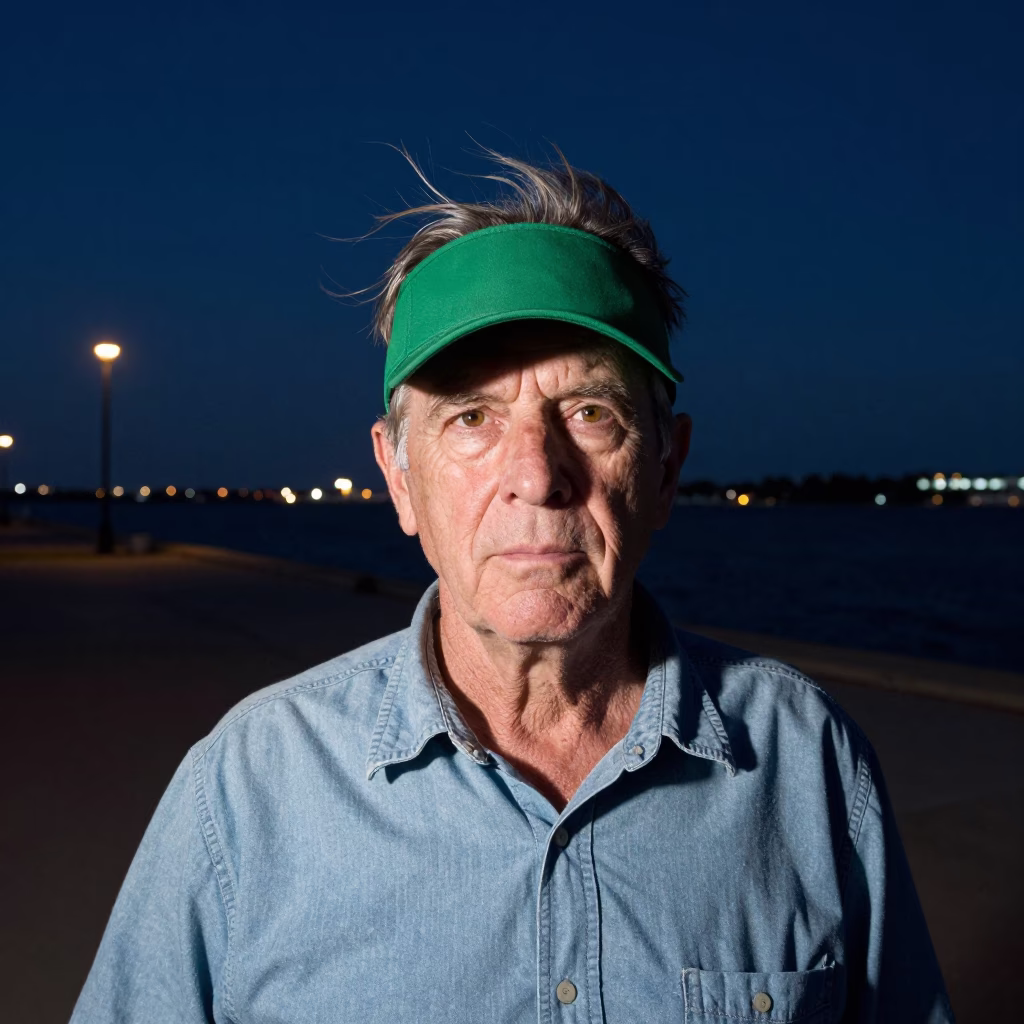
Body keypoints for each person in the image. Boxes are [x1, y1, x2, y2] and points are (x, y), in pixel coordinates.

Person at [71, 150, 954, 1023]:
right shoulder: (248, 785)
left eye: (591, 413)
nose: (536, 475)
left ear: (665, 467)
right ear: (400, 478)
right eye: (471, 418)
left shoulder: (807, 760)